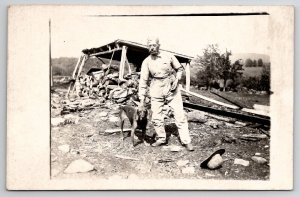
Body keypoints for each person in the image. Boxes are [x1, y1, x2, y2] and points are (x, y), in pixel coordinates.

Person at [138, 37, 194, 151]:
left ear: (159, 45)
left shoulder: (169, 56)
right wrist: (142, 99)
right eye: (149, 46)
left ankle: (186, 141)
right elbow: (143, 81)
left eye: (154, 45)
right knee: (156, 116)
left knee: (179, 115)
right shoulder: (146, 62)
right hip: (156, 87)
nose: (152, 47)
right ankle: (161, 138)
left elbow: (179, 69)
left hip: (171, 86)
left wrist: (177, 80)